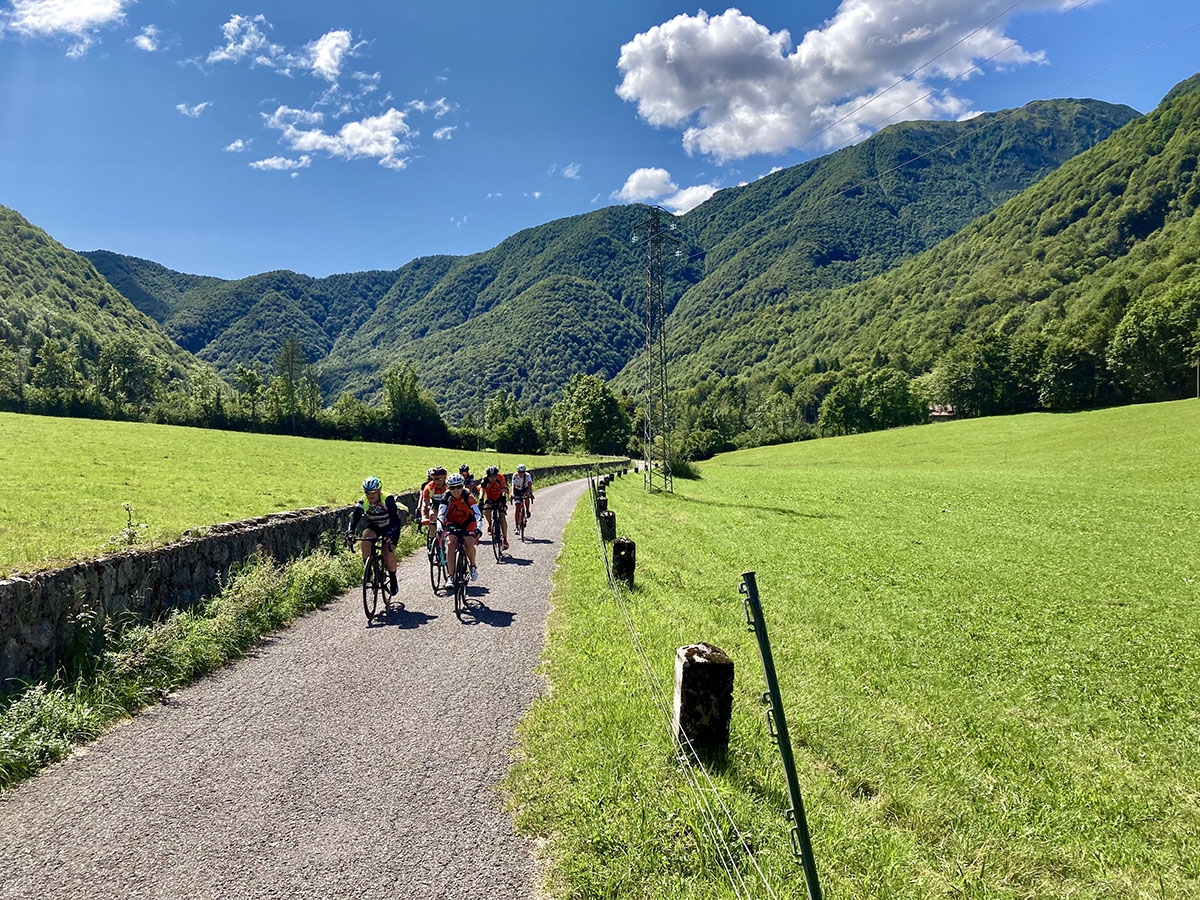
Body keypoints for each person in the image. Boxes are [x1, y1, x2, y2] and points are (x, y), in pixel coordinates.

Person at [346, 476, 401, 596]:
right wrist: (350, 532)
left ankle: (392, 578)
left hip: (390, 525)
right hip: (374, 524)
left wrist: (391, 533)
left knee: (387, 550)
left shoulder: (388, 499)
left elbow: (394, 519)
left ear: (379, 491)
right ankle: (369, 570)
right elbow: (355, 517)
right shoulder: (363, 501)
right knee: (365, 539)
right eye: (367, 492)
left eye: (373, 492)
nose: (370, 495)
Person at [437, 473, 483, 586]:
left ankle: (472, 566)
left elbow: (477, 514)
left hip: (468, 522)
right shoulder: (446, 497)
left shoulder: (468, 496)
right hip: (453, 522)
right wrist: (439, 527)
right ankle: (450, 576)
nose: (456, 490)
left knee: (469, 543)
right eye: (452, 488)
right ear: (448, 488)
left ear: (463, 486)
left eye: (458, 487)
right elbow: (441, 515)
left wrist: (479, 529)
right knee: (450, 543)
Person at [478, 464, 510, 550]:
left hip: (499, 498)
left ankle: (505, 538)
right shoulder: (484, 480)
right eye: (490, 477)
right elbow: (481, 490)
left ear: (497, 475)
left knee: (502, 516)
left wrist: (503, 501)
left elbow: (503, 490)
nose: (492, 478)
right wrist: (480, 500)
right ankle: (489, 524)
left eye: (494, 476)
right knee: (487, 510)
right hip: (489, 498)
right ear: (487, 476)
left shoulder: (500, 478)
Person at [420, 466, 449, 544]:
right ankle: (432, 539)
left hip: (448, 506)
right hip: (436, 505)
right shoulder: (429, 487)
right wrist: (424, 517)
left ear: (445, 477)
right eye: (435, 479)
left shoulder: (449, 486)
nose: (437, 482)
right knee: (432, 515)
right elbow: (425, 504)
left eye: (439, 479)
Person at [511, 463, 534, 528]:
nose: (521, 474)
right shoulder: (515, 475)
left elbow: (529, 485)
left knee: (526, 496)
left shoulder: (528, 476)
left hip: (525, 488)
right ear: (517, 472)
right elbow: (513, 485)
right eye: (519, 472)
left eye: (523, 472)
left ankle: (527, 510)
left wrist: (530, 493)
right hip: (517, 490)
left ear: (525, 472)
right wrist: (512, 493)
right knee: (517, 508)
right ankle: (516, 526)